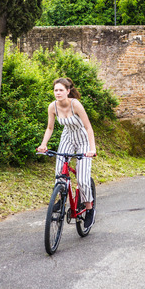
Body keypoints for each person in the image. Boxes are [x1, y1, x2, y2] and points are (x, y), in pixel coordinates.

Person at [37, 78, 98, 228]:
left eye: (61, 90)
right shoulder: (52, 107)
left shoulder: (75, 104)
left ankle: (89, 210)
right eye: (55, 90)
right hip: (67, 138)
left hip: (83, 140)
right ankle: (61, 198)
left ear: (68, 91)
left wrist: (92, 149)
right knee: (60, 173)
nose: (58, 93)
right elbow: (50, 128)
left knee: (83, 179)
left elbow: (88, 127)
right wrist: (43, 144)